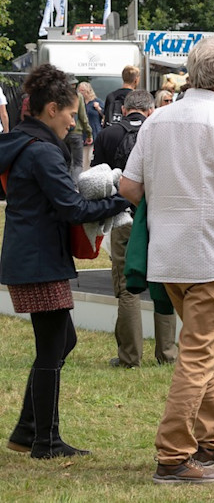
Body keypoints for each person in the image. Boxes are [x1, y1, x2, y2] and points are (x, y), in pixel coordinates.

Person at [119, 35, 214, 484]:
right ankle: (173, 455)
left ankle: (207, 442)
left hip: (167, 257)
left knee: (208, 348)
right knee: (200, 353)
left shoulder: (158, 120)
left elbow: (129, 187)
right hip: (209, 258)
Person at [0, 63, 131, 459]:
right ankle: (45, 440)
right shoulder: (41, 151)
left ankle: (28, 431)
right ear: (52, 108)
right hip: (38, 259)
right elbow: (72, 207)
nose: (74, 122)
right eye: (71, 114)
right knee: (53, 346)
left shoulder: (24, 141)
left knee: (59, 342)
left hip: (33, 257)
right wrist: (122, 199)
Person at [89, 90, 179, 369]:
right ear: (150, 110)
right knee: (165, 283)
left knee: (127, 288)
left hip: (124, 217)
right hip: (160, 217)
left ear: (124, 110)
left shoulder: (108, 135)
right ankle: (167, 353)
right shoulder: (163, 133)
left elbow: (97, 177)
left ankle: (130, 356)